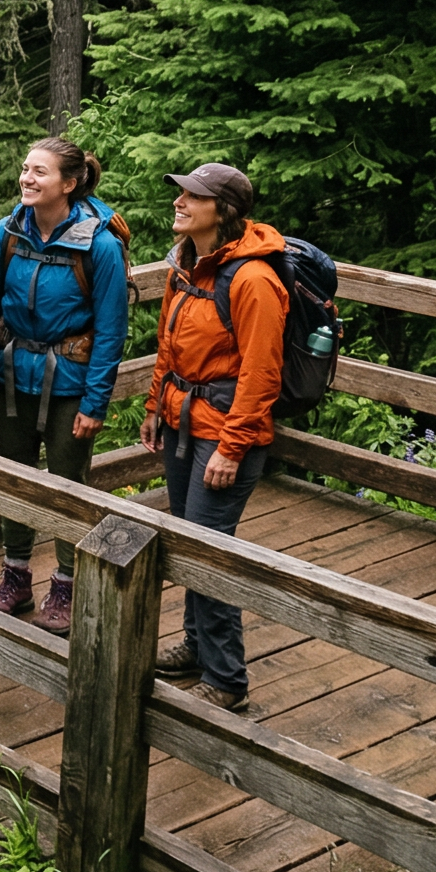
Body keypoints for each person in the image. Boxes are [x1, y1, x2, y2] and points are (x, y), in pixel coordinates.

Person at [0, 138, 130, 634]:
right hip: (13, 374)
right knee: (14, 477)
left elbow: (111, 331)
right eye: (25, 170)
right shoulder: (7, 233)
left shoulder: (99, 245)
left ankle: (66, 581)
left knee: (65, 484)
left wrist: (95, 402)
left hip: (71, 383)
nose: (27, 179)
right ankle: (16, 576)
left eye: (40, 172)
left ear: (69, 183)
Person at [144, 162, 287, 712]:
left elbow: (261, 374)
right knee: (186, 541)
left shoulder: (253, 280)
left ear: (222, 211)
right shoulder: (185, 263)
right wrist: (157, 404)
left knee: (208, 553)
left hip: (226, 432)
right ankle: (197, 647)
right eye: (179, 192)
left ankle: (226, 680)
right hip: (183, 420)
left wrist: (232, 447)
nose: (179, 202)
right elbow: (168, 341)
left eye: (191, 196)